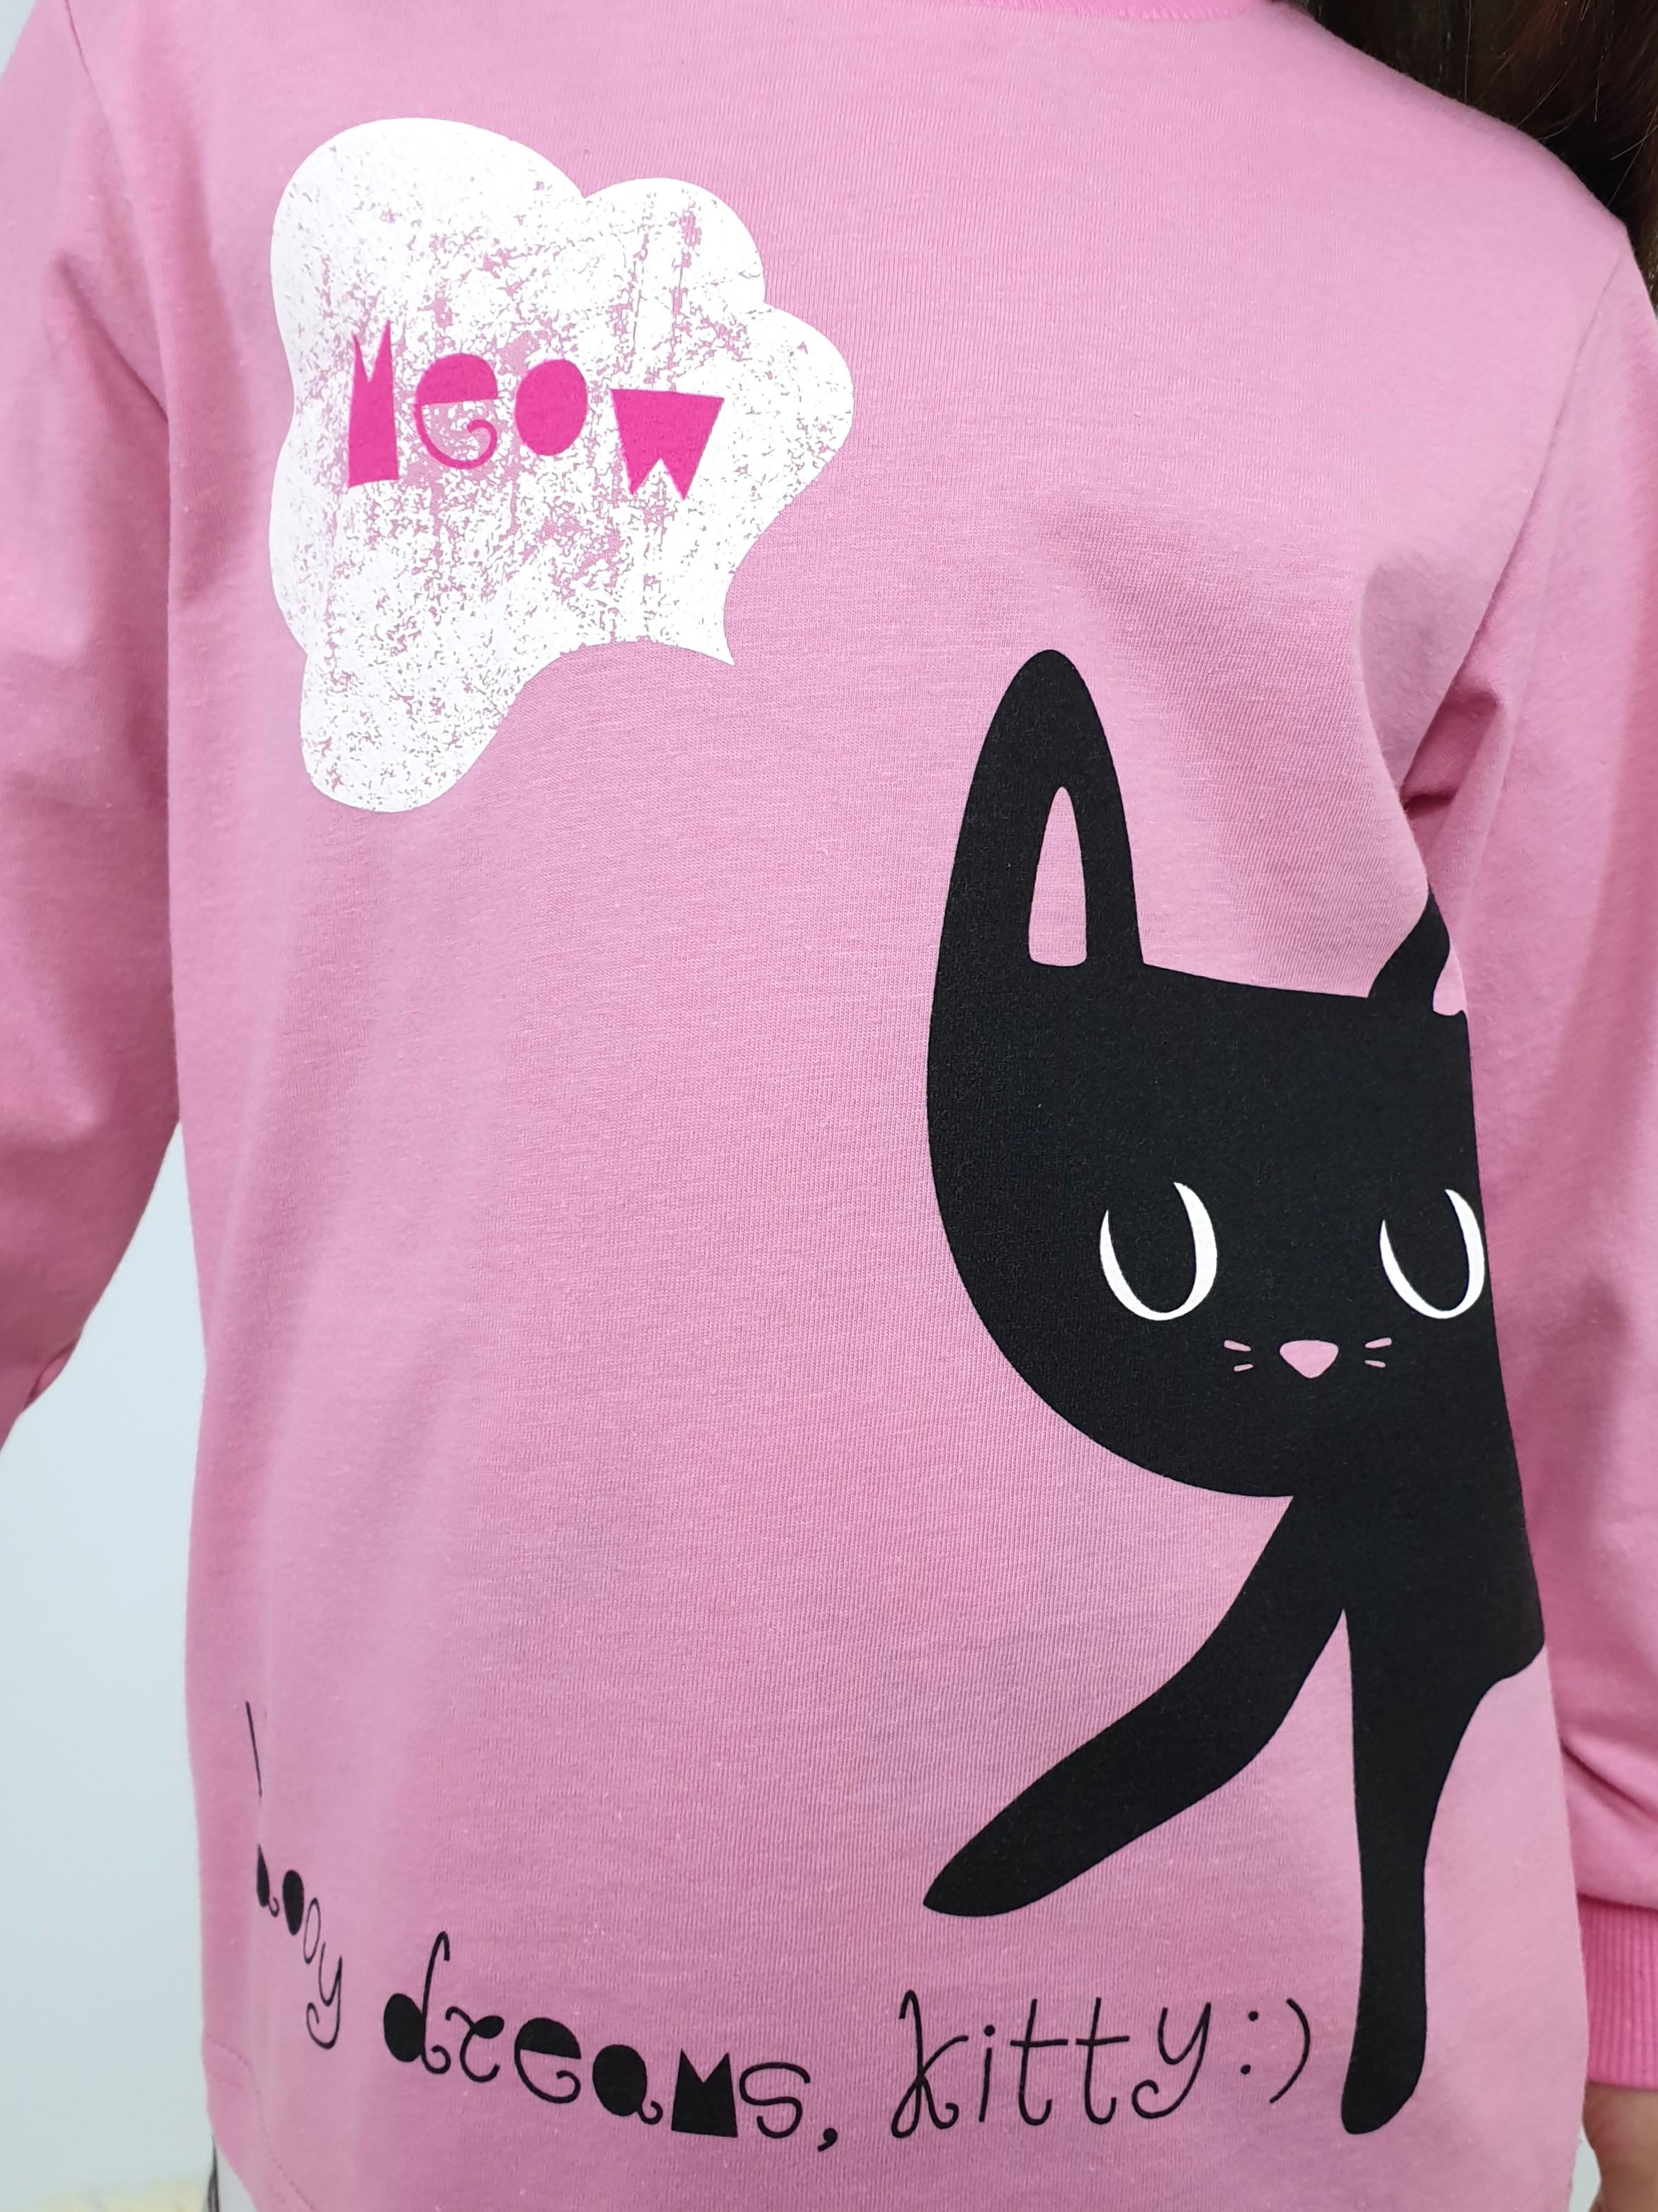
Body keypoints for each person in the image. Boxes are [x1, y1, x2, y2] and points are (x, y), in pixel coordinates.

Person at [0, 0, 1654, 2204]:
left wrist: (1635, 1962)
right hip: (418, 2092)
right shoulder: (203, 66)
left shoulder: (1503, 286)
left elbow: (1583, 1265)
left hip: (1287, 2127)